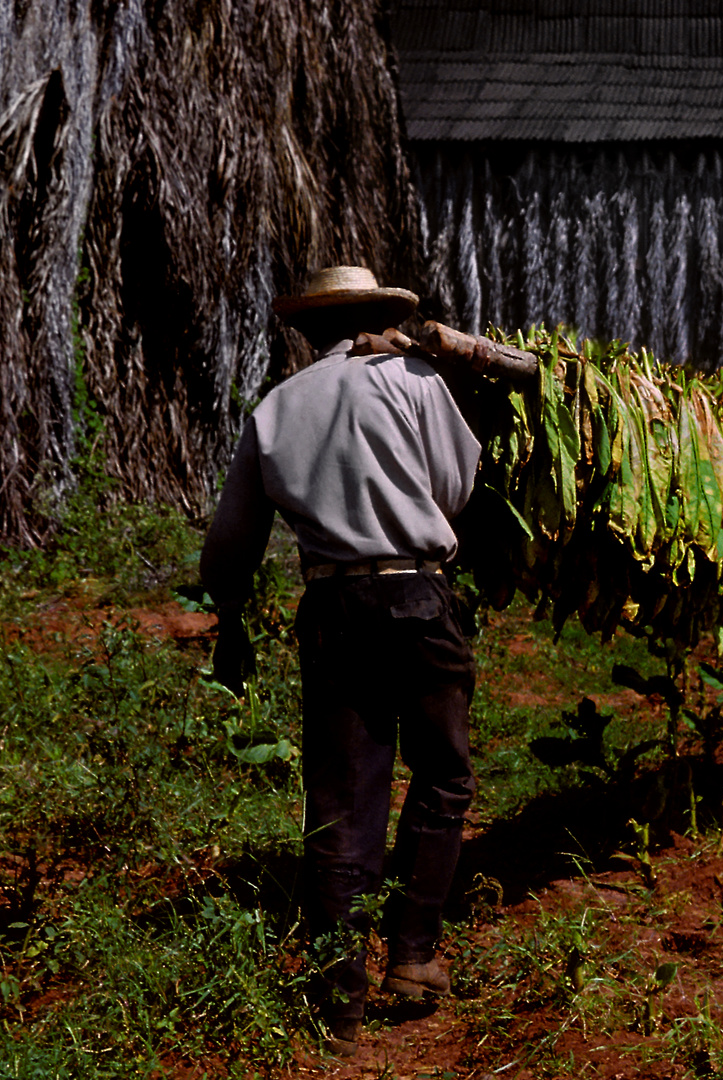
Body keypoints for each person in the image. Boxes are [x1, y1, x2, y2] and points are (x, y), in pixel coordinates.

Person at [200, 266, 482, 1057]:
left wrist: (229, 615)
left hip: (331, 607)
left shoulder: (278, 407)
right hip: (417, 596)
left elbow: (232, 544)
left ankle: (339, 995)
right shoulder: (415, 377)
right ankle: (414, 955)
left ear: (309, 329)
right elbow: (456, 490)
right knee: (442, 772)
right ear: (378, 314)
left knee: (342, 796)